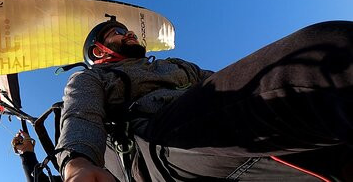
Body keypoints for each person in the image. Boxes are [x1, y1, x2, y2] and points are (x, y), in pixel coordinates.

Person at [55, 16, 353, 181]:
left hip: (211, 129)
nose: (130, 33)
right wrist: (78, 162)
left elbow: (230, 82)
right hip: (155, 146)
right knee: (326, 53)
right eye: (118, 32)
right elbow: (82, 112)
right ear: (99, 51)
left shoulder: (177, 66)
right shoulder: (93, 78)